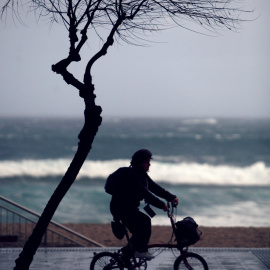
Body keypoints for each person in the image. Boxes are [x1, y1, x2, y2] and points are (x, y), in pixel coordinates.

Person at [109, 149, 179, 261]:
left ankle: (126, 256)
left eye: (148, 161)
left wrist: (171, 197)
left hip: (129, 208)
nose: (149, 164)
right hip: (121, 209)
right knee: (144, 223)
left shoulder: (142, 176)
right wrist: (162, 205)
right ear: (138, 163)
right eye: (146, 162)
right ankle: (139, 250)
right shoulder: (132, 176)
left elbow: (155, 188)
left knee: (140, 229)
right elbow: (146, 194)